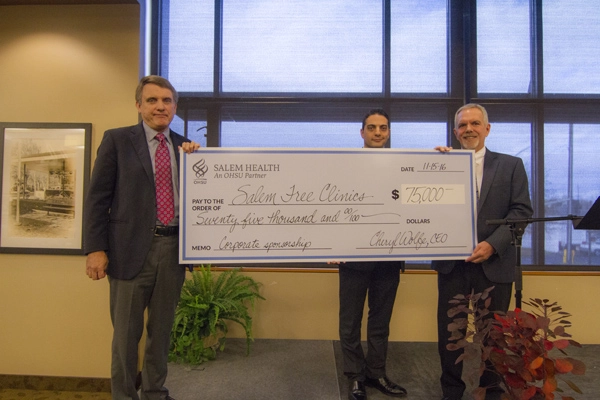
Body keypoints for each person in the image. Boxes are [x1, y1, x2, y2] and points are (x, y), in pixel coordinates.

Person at [84, 75, 200, 400]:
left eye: (166, 101)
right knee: (125, 337)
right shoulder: (117, 141)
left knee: (161, 333)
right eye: (152, 100)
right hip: (128, 252)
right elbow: (97, 199)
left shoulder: (186, 147)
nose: (160, 106)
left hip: (174, 249)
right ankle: (123, 396)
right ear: (139, 106)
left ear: (175, 107)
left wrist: (198, 161)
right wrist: (95, 249)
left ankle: (154, 392)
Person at [432, 103, 533, 400]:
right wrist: (432, 166)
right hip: (454, 265)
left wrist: (492, 245)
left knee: (494, 336)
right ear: (455, 132)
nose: (469, 129)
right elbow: (420, 207)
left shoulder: (511, 165)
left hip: (495, 263)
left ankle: (491, 391)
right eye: (462, 126)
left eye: (475, 124)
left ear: (487, 129)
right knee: (451, 334)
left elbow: (521, 211)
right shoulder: (441, 163)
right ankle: (451, 392)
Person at [338, 109, 408, 400]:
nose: (377, 132)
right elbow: (333, 205)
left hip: (390, 257)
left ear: (389, 132)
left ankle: (376, 374)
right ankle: (355, 376)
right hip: (353, 257)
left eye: (383, 128)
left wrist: (445, 160)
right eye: (371, 127)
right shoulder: (344, 166)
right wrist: (329, 244)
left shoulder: (403, 165)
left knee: (381, 321)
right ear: (362, 133)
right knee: (350, 322)